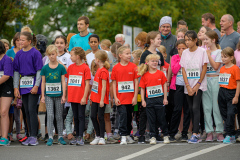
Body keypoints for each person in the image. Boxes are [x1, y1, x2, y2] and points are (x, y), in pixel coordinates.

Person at [13, 31, 43, 146]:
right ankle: (29, 134)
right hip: (23, 84)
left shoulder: (35, 53)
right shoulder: (19, 54)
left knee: (31, 110)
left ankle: (34, 136)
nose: (20, 42)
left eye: (23, 40)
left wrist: (36, 85)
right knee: (25, 111)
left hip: (33, 83)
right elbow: (16, 72)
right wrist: (16, 87)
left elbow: (39, 71)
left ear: (29, 41)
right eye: (19, 40)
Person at [180, 30, 209, 143]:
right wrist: (187, 85)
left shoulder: (202, 51)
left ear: (196, 40)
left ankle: (196, 133)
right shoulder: (185, 52)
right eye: (186, 40)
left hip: (199, 85)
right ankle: (196, 131)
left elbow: (204, 68)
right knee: (191, 109)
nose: (187, 42)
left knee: (196, 107)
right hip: (188, 85)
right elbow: (183, 70)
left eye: (189, 40)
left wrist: (198, 84)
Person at [138, 54, 170, 145]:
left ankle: (166, 135)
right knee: (151, 119)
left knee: (161, 118)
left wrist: (165, 98)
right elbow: (143, 88)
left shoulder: (160, 73)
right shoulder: (145, 75)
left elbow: (164, 85)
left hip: (159, 99)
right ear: (147, 63)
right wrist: (143, 101)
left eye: (156, 61)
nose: (155, 63)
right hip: (149, 100)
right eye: (153, 61)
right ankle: (153, 136)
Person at [40, 45, 67, 146]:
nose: (51, 56)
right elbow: (43, 82)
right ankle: (50, 136)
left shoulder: (61, 67)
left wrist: (64, 95)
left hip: (59, 95)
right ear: (47, 55)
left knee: (59, 116)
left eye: (53, 54)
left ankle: (60, 136)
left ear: (56, 54)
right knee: (50, 115)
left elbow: (63, 81)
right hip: (48, 95)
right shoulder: (45, 68)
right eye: (49, 55)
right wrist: (42, 96)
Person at [111, 46, 138, 145]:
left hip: (131, 98)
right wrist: (115, 97)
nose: (129, 55)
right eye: (127, 53)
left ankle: (127, 135)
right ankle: (122, 135)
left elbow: (136, 81)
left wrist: (135, 96)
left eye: (130, 53)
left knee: (129, 117)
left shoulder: (133, 66)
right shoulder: (116, 67)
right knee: (122, 115)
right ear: (120, 55)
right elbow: (114, 83)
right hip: (120, 98)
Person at [66, 47, 91, 145]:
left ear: (77, 56)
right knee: (75, 117)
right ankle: (77, 137)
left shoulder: (85, 68)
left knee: (81, 116)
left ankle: (80, 137)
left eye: (71, 55)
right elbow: (69, 82)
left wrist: (84, 97)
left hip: (81, 97)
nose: (70, 57)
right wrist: (68, 95)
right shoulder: (71, 67)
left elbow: (87, 84)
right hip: (73, 97)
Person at [202, 30, 224, 142]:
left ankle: (219, 131)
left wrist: (208, 55)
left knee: (216, 107)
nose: (205, 41)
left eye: (206, 39)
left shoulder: (219, 52)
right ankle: (209, 131)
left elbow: (215, 66)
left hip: (216, 79)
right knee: (206, 107)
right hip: (206, 80)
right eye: (204, 39)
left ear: (213, 40)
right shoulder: (203, 51)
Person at [169, 39, 190, 142]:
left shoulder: (191, 57)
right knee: (177, 109)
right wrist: (181, 59)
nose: (181, 50)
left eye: (183, 48)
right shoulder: (174, 57)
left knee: (187, 109)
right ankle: (172, 132)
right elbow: (174, 70)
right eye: (179, 48)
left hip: (188, 86)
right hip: (178, 86)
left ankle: (185, 133)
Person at [218, 47, 240, 144]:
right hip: (222, 92)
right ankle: (230, 133)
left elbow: (238, 83)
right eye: (222, 57)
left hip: (231, 92)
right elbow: (221, 82)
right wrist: (220, 95)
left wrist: (236, 96)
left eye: (225, 57)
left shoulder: (235, 68)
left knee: (231, 113)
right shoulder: (222, 68)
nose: (223, 59)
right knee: (224, 114)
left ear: (231, 57)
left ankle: (230, 134)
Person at [90, 50, 110, 145]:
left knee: (101, 117)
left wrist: (102, 100)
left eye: (95, 58)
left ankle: (102, 137)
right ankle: (97, 136)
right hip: (95, 97)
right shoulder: (98, 69)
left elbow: (104, 87)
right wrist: (91, 95)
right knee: (93, 116)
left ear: (98, 60)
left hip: (101, 98)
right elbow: (96, 84)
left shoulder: (104, 71)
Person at [0, 41, 14, 146]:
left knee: (4, 112)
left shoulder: (7, 59)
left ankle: (5, 137)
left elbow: (7, 75)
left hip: (6, 87)